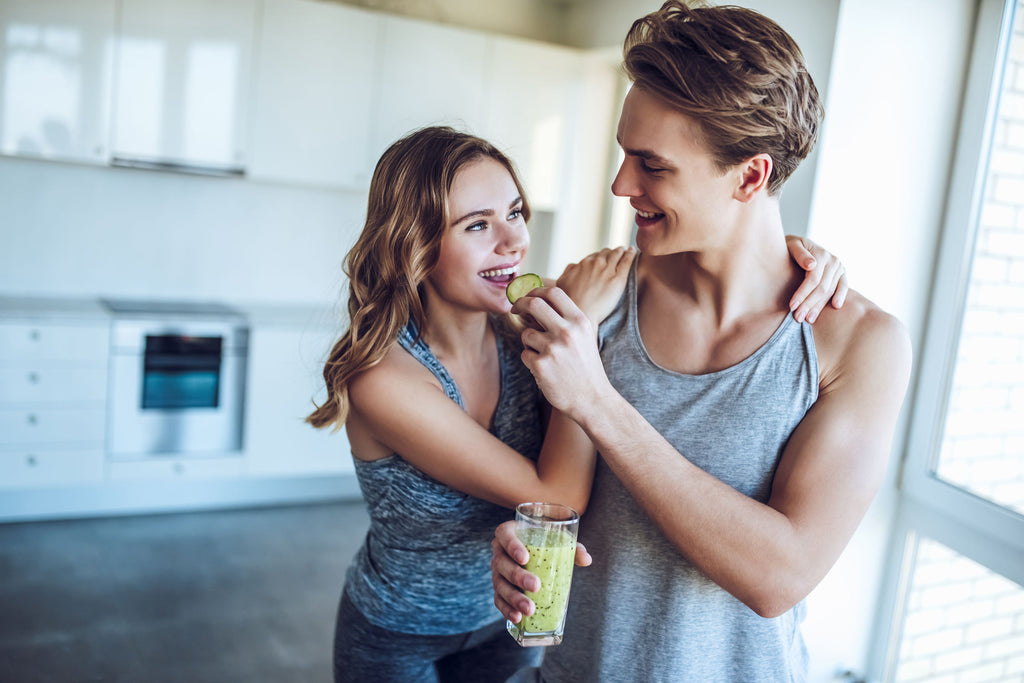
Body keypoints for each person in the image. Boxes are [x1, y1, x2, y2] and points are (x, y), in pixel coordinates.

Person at [307, 126, 845, 682]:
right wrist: (580, 350)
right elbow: (557, 496)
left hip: (513, 618)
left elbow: (734, 247)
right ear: (414, 245)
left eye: (515, 213)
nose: (513, 241)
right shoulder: (382, 380)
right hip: (401, 635)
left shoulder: (525, 334)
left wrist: (800, 254)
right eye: (477, 225)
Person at [491, 3, 913, 682]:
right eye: (624, 154)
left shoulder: (858, 345)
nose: (621, 185)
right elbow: (552, 498)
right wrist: (513, 544)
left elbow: (780, 573)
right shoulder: (597, 297)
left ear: (750, 175)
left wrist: (599, 401)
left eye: (652, 165)